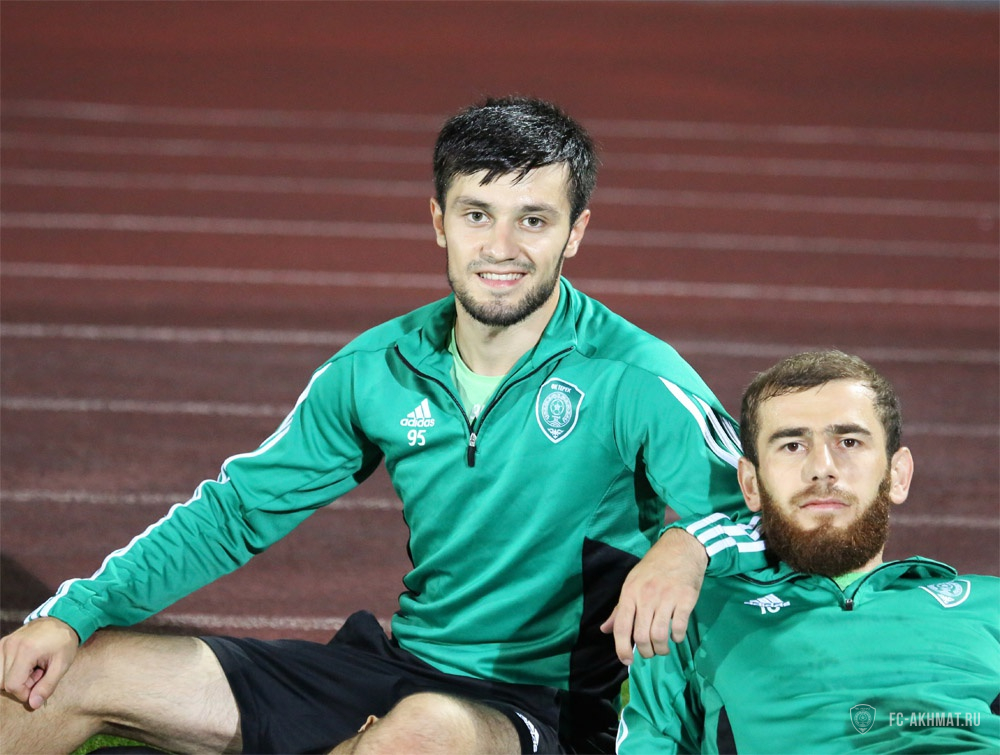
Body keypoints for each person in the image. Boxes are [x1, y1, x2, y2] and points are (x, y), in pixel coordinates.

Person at [0, 96, 764, 755]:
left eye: (533, 219)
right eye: (477, 214)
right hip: (396, 669)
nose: (501, 248)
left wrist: (689, 542)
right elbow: (236, 512)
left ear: (576, 232)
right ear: (438, 221)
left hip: (545, 709)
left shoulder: (636, 375)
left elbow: (771, 515)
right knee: (56, 673)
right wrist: (71, 614)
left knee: (421, 731)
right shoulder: (378, 367)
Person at [616, 350, 1000, 754]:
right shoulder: (692, 612)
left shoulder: (988, 603)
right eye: (793, 445)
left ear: (897, 475)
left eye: (849, 442)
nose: (822, 467)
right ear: (750, 485)